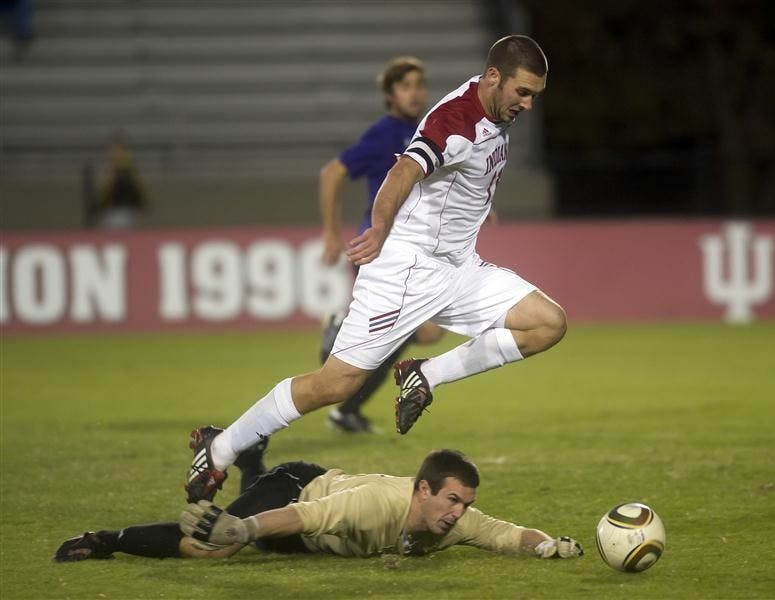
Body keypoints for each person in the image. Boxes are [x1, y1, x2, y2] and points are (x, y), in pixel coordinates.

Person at [185, 35, 565, 504]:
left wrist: (478, 203)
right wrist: (381, 228)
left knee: (547, 323)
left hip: (459, 268)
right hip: (408, 269)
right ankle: (219, 448)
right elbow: (403, 172)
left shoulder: (492, 105)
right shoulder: (454, 121)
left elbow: (469, 168)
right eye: (522, 92)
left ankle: (425, 375)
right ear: (493, 78)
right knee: (335, 384)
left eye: (534, 95)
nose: (527, 104)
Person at [55, 448, 583, 562]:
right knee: (210, 548)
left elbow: (506, 534)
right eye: (452, 500)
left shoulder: (455, 520)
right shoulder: (376, 504)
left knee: (259, 539)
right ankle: (104, 540)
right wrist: (242, 531)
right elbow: (306, 516)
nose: (458, 513)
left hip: (307, 538)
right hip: (297, 490)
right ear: (422, 490)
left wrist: (548, 547)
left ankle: (250, 460)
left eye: (465, 504)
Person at [318, 55, 444, 434]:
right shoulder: (384, 134)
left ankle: (346, 409)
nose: (415, 93)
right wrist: (331, 232)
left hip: (414, 250)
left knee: (419, 333)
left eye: (419, 85)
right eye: (405, 86)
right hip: (380, 248)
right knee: (412, 332)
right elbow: (332, 173)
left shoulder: (428, 130)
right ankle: (339, 335)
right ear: (389, 94)